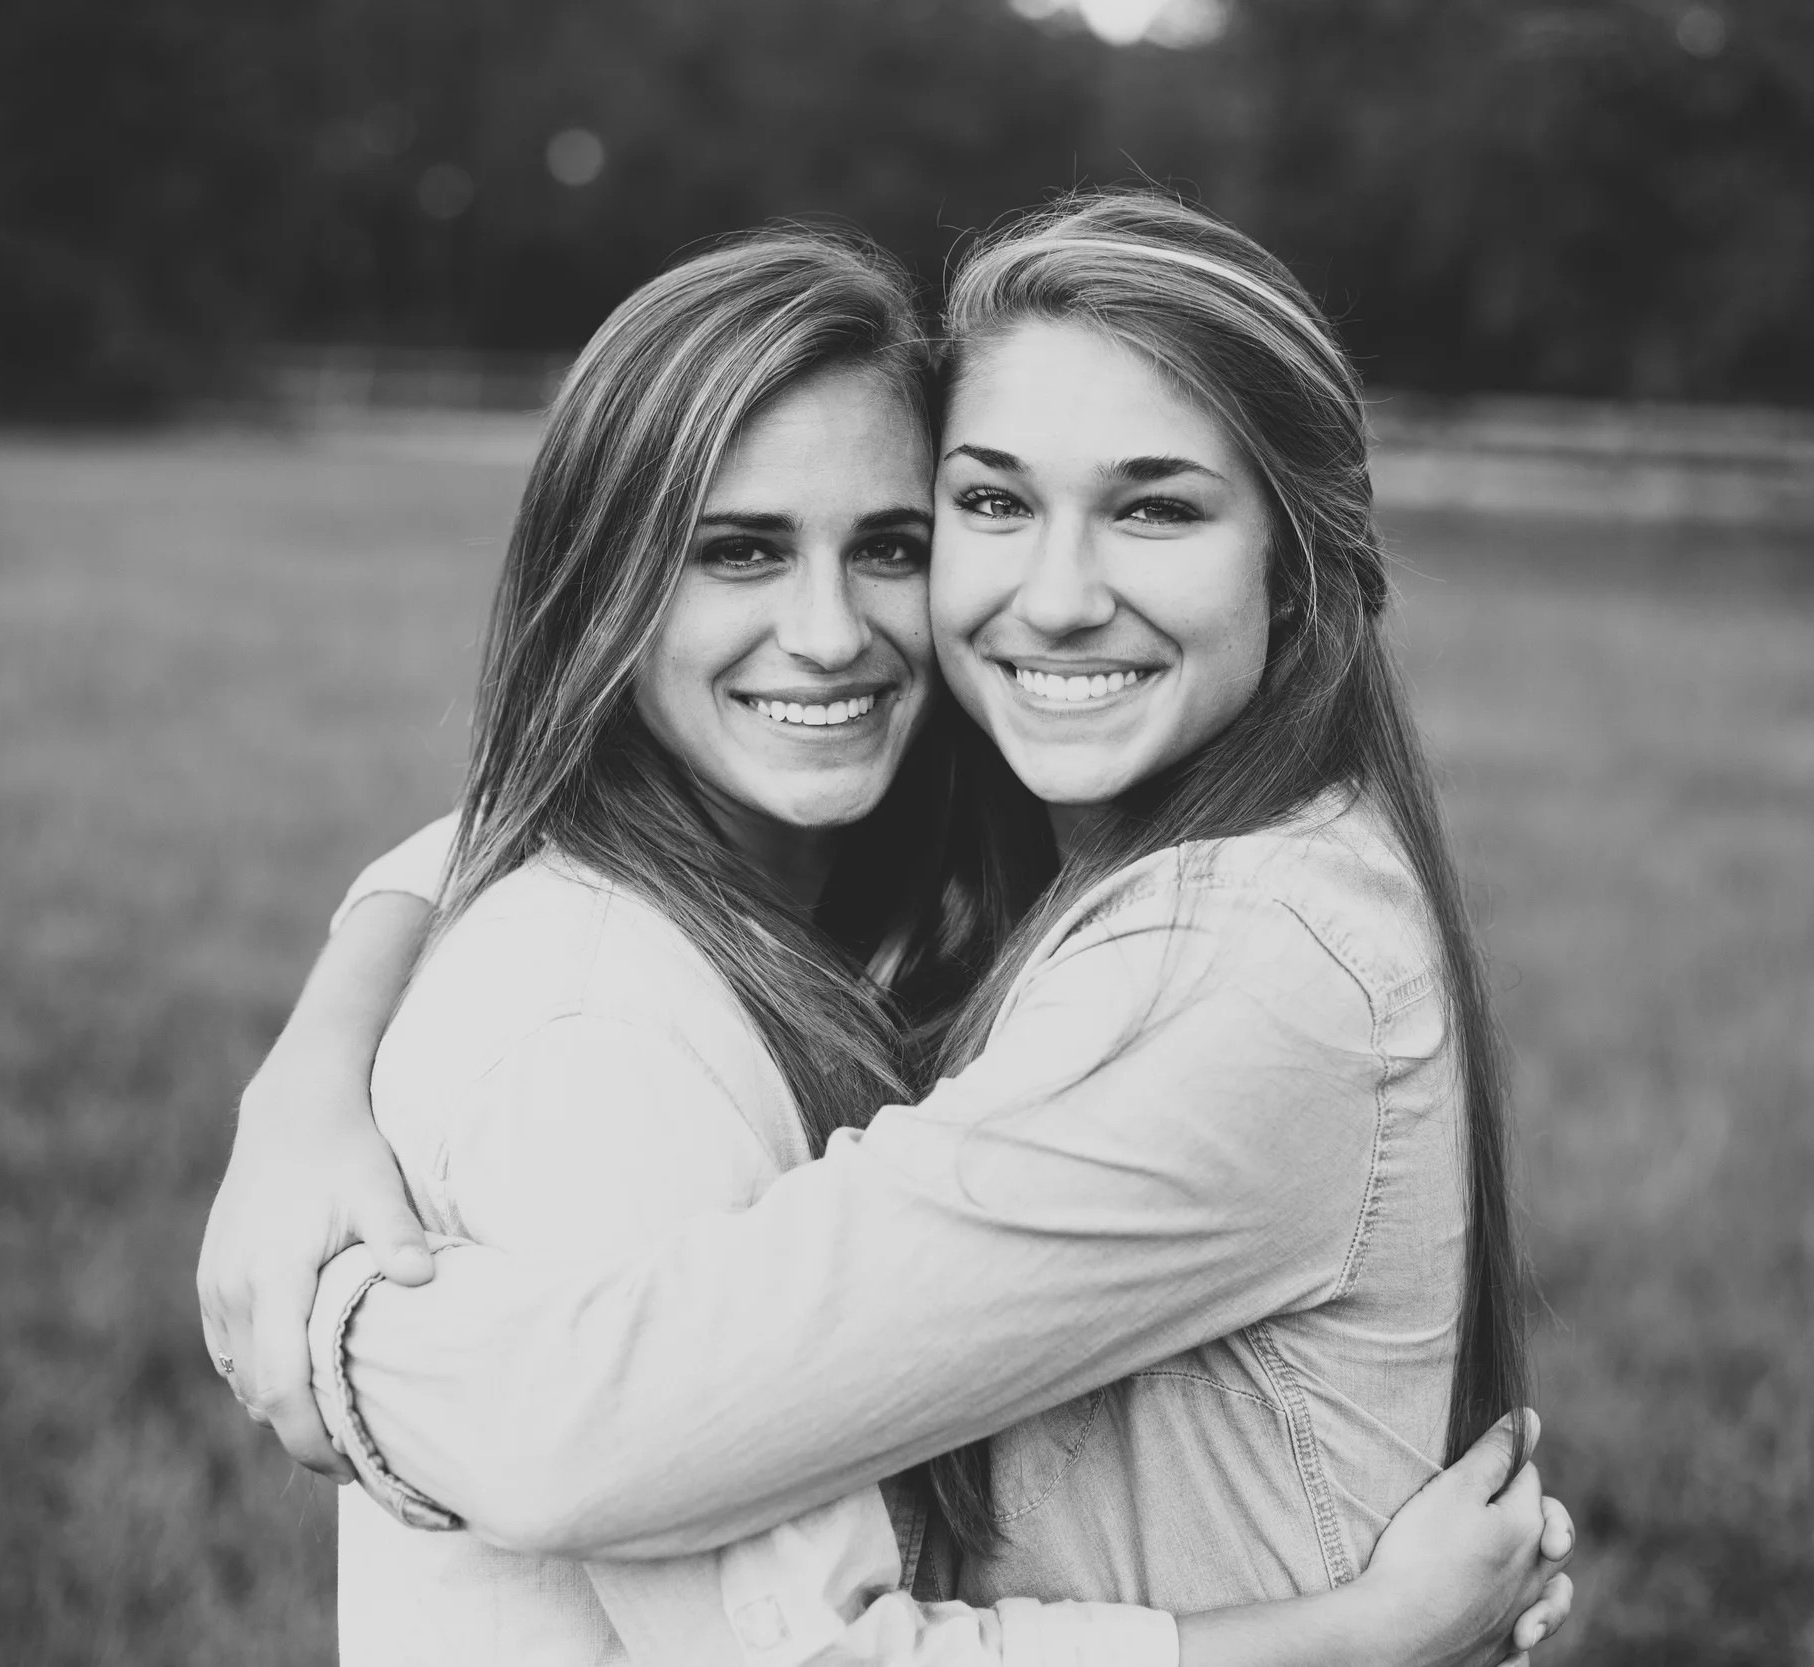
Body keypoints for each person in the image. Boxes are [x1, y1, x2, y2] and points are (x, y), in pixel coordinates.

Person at [201, 194, 1572, 1660]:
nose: (1055, 598)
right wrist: (308, 1067)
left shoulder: (1226, 959)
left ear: (1295, 571)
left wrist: (334, 1321)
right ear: (602, 591)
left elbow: (579, 1432)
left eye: (1156, 508)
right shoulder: (625, 1011)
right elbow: (514, 823)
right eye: (993, 504)